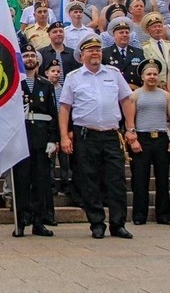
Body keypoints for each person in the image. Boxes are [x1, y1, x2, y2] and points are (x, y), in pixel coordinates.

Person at [59, 34, 136, 239]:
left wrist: (130, 129)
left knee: (117, 180)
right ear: (81, 54)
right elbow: (65, 108)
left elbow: (127, 101)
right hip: (85, 134)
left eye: (97, 49)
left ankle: (118, 224)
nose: (95, 53)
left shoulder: (113, 73)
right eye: (90, 50)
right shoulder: (73, 77)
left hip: (111, 134)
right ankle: (96, 223)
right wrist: (64, 137)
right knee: (89, 180)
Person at [11, 45, 59, 238]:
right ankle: (21, 220)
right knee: (21, 181)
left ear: (38, 60)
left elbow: (52, 113)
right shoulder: (14, 83)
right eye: (25, 55)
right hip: (21, 138)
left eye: (32, 55)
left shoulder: (45, 84)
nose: (29, 58)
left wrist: (52, 139)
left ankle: (39, 221)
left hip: (40, 138)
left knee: (41, 182)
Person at [129, 59, 170, 226]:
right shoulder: (135, 95)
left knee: (162, 179)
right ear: (142, 76)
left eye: (154, 74)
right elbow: (130, 120)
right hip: (142, 139)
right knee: (140, 179)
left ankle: (164, 215)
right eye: (148, 74)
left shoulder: (166, 96)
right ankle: (139, 215)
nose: (152, 77)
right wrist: (133, 139)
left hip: (161, 138)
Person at [101, 17, 145, 90]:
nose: (125, 35)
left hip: (135, 91)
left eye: (127, 32)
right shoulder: (105, 53)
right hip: (113, 91)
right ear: (114, 36)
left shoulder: (138, 52)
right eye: (121, 32)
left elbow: (143, 72)